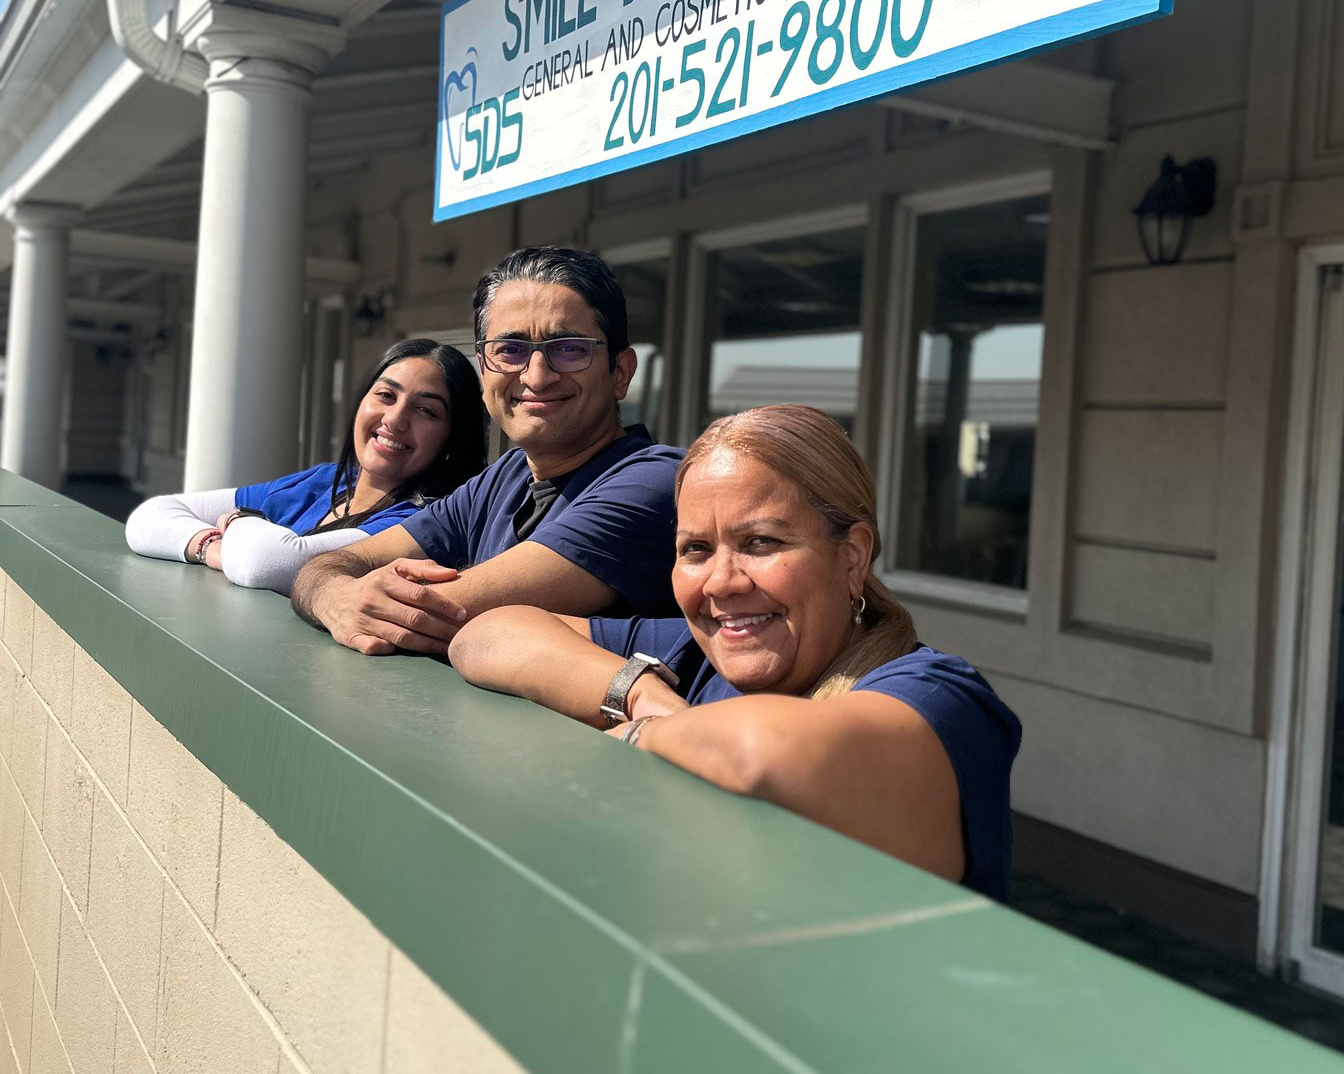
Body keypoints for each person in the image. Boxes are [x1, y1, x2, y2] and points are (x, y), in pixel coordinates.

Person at [448, 405, 1022, 900]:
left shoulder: (941, 697)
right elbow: (488, 634)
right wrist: (644, 696)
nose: (721, 582)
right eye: (695, 549)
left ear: (851, 557)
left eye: (761, 543)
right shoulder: (692, 656)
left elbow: (763, 755)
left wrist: (638, 739)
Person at [290, 246, 682, 654]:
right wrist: (333, 596)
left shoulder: (653, 481)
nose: (537, 375)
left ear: (620, 373)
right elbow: (328, 564)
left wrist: (343, 595)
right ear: (483, 370)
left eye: (568, 348)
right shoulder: (505, 478)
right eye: (510, 350)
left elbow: (445, 612)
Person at [125, 337, 486, 594]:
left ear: (453, 439)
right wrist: (210, 547)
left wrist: (236, 520)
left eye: (426, 410)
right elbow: (150, 516)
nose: (395, 419)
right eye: (385, 396)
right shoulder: (325, 480)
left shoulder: (421, 521)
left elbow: (267, 562)